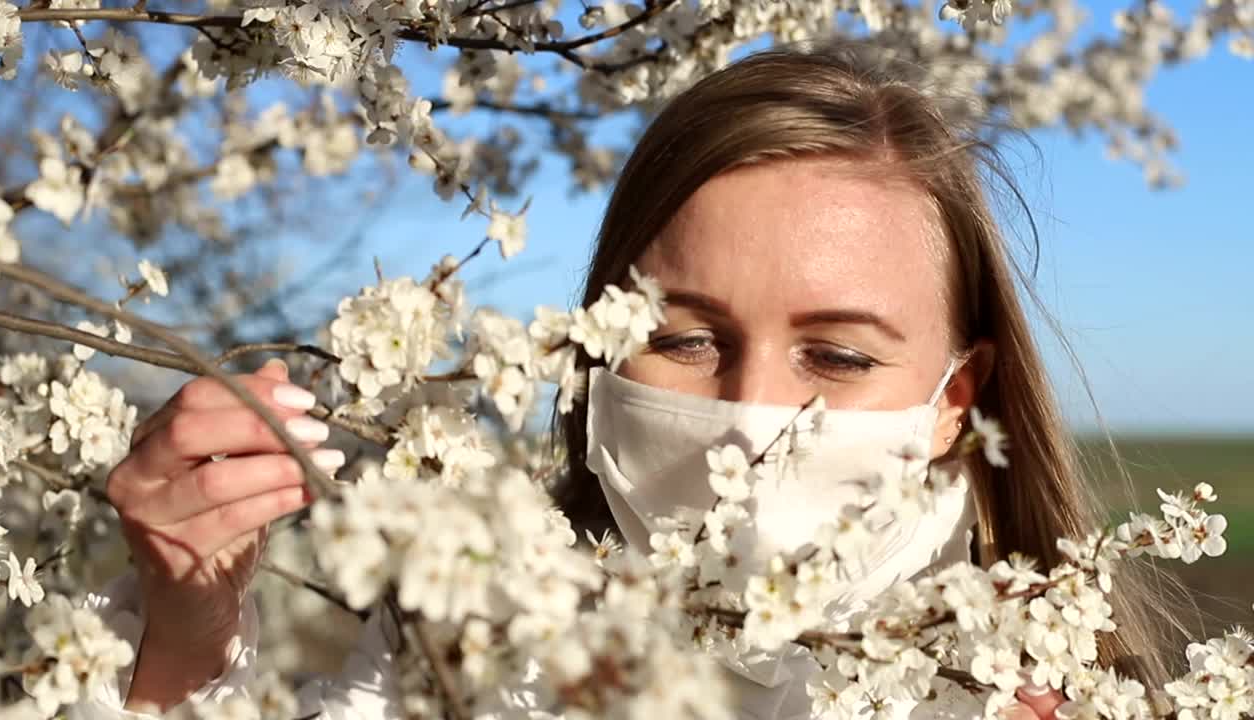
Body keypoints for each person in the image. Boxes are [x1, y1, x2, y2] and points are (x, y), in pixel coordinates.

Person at [75, 39, 1172, 720]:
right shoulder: (468, 645)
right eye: (686, 340)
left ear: (955, 400)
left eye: (836, 357)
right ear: (592, 347)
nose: (753, 425)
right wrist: (181, 638)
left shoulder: (1041, 697)